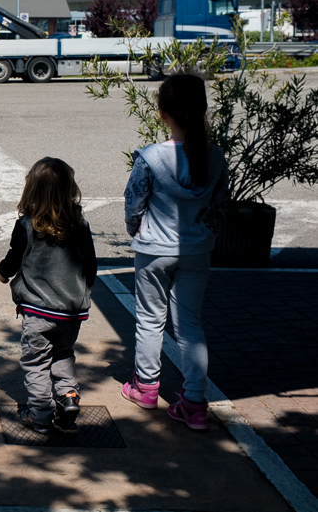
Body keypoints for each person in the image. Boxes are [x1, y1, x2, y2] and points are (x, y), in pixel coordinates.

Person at [121, 73, 228, 432]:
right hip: (197, 250)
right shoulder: (214, 157)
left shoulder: (150, 158)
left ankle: (146, 389)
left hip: (154, 249)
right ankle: (195, 403)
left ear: (162, 112)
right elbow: (220, 206)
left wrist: (135, 228)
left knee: (151, 320)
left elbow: (134, 202)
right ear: (202, 110)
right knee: (190, 327)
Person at [0, 157, 97, 434]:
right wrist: (84, 287)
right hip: (71, 311)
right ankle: (68, 398)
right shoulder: (81, 224)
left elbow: (13, 259)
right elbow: (90, 265)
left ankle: (40, 416)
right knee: (63, 353)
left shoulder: (27, 226)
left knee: (36, 363)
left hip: (39, 312)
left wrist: (4, 273)